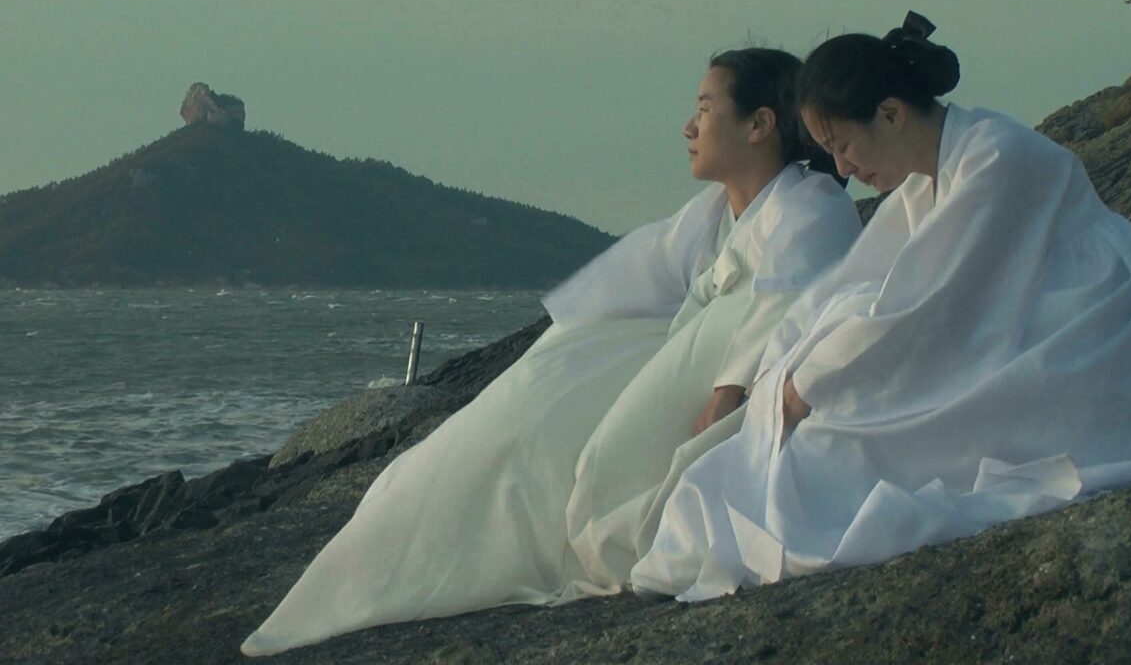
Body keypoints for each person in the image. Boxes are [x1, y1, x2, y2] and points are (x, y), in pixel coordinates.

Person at [240, 47, 861, 656]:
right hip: (696, 352)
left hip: (742, 373)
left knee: (599, 481)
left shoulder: (812, 206)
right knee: (516, 420)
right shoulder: (710, 217)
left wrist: (728, 392)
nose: (688, 127)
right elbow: (638, 279)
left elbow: (787, 305)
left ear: (759, 124)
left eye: (704, 108)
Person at [631, 13, 1131, 602]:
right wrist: (786, 368)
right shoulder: (924, 180)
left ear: (891, 114)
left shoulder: (997, 157)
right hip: (1005, 323)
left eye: (843, 145)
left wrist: (809, 384)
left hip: (1081, 334)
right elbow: (850, 286)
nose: (843, 168)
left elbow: (930, 308)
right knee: (815, 431)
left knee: (839, 450)